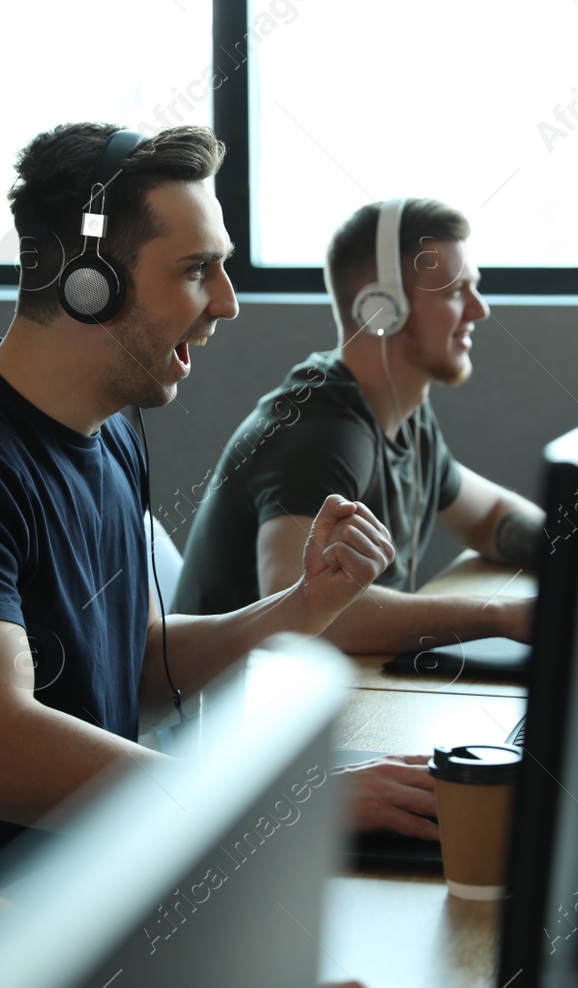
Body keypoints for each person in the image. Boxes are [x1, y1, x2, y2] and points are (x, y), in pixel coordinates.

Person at [0, 124, 441, 881]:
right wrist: (277, 800)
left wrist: (299, 606)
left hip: (104, 886)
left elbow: (139, 665)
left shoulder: (109, 432)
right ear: (90, 283)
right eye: (196, 270)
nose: (227, 302)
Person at [172, 198, 543, 652]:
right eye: (453, 291)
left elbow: (490, 518)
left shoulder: (403, 418)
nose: (479, 309)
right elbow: (306, 615)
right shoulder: (320, 434)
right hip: (236, 715)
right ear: (381, 307)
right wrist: (500, 615)